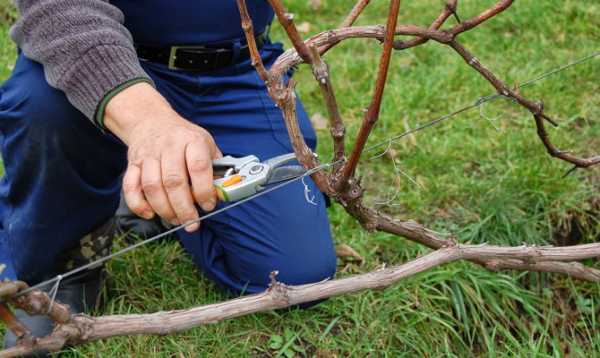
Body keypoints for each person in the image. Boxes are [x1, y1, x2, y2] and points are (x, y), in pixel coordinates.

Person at [0, 0, 336, 350]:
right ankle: (60, 268)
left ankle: (158, 193)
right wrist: (147, 121)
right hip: (96, 57)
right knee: (44, 110)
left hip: (237, 72)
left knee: (299, 278)